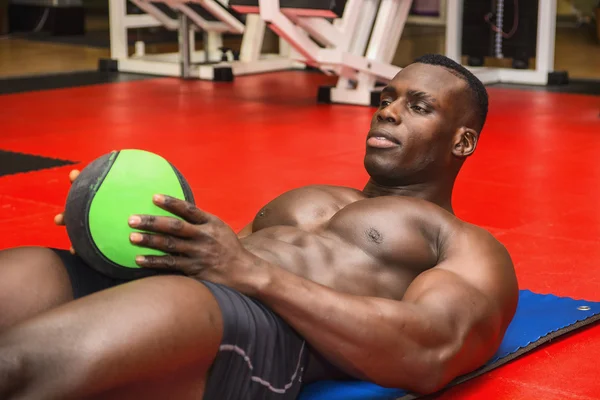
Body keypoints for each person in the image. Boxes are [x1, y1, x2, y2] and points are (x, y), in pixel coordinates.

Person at [0, 54, 519, 400]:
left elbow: (431, 352)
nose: (387, 113)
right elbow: (224, 252)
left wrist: (250, 273)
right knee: (26, 272)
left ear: (463, 142)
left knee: (15, 366)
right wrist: (128, 229)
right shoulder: (311, 197)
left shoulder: (465, 244)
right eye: (386, 98)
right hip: (196, 285)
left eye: (418, 106)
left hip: (255, 324)